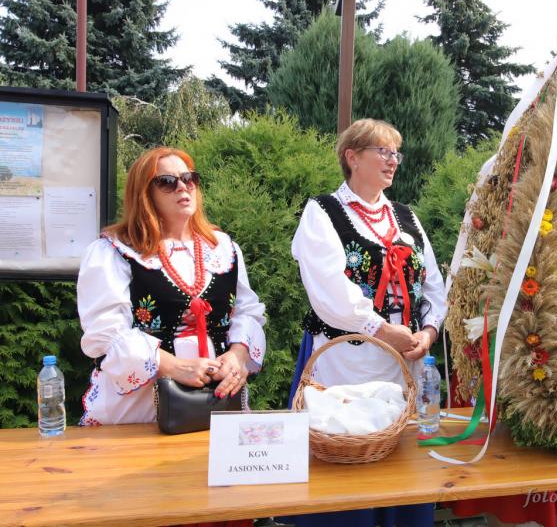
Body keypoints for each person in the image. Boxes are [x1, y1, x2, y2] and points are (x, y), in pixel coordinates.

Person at [285, 118, 447, 527]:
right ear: (352, 157)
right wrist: (381, 329)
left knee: (401, 467)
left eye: (396, 153)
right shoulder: (323, 212)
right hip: (346, 361)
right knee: (347, 459)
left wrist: (428, 332)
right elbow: (328, 288)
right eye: (383, 151)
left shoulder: (406, 217)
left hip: (404, 361)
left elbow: (433, 284)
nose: (393, 161)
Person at [77, 147, 267, 427]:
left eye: (189, 178)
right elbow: (106, 334)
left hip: (215, 401)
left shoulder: (223, 248)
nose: (182, 187)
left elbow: (247, 312)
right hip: (142, 406)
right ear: (144, 194)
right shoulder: (114, 251)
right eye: (167, 182)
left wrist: (237, 357)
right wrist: (175, 367)